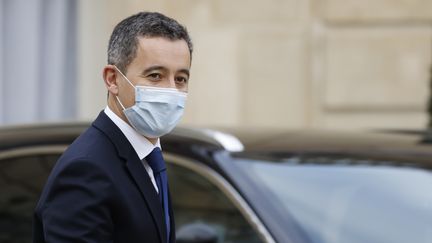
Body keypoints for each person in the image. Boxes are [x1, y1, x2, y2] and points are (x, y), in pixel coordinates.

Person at [33, 11, 192, 243]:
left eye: (180, 79)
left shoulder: (148, 156)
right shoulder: (85, 169)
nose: (171, 91)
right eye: (155, 75)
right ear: (112, 79)